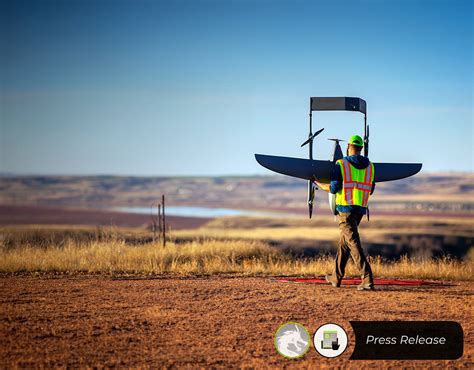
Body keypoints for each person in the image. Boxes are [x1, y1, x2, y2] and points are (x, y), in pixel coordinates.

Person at [314, 135, 375, 291]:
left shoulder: (341, 164)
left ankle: (367, 278)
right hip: (360, 209)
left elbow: (333, 188)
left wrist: (318, 184)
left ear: (349, 146)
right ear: (361, 148)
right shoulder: (370, 167)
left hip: (345, 210)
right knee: (345, 243)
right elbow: (371, 189)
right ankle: (336, 277)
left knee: (353, 242)